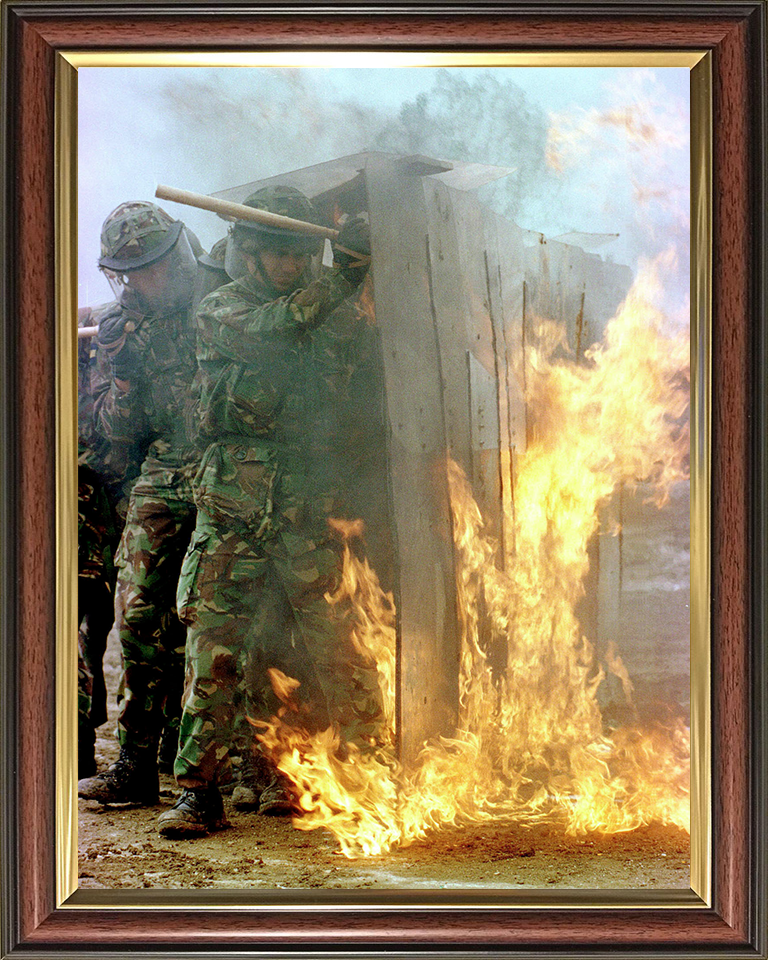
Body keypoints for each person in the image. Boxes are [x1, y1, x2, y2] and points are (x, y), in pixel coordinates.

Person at [157, 186, 385, 837]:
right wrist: (343, 276)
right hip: (231, 512)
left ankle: (370, 781)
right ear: (248, 254)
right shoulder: (221, 312)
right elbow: (279, 330)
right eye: (277, 255)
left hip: (308, 512)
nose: (291, 266)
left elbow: (345, 395)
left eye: (299, 255)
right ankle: (198, 793)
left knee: (342, 650)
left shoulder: (338, 315)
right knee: (214, 651)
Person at [78, 201, 218, 805]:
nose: (143, 282)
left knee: (212, 619)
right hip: (164, 466)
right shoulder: (124, 324)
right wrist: (124, 365)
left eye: (153, 267)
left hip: (226, 460)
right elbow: (116, 433)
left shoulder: (225, 293)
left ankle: (214, 769)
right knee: (137, 611)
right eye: (131, 272)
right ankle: (136, 763)